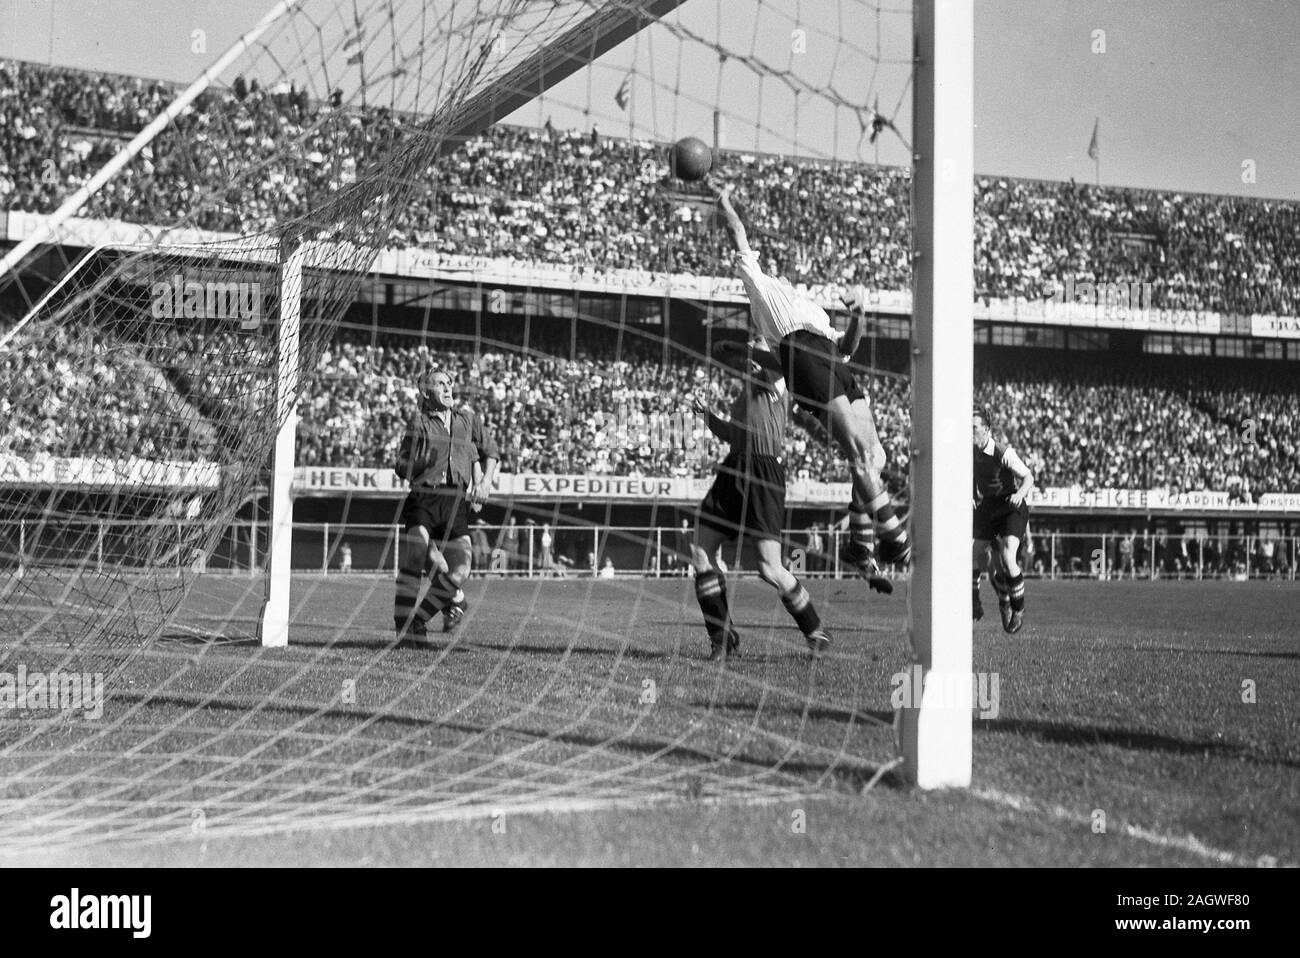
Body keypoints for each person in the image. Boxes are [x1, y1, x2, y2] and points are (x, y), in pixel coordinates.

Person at [710, 184, 910, 581]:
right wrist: (724, 201)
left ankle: (859, 544)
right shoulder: (760, 285)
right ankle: (895, 538)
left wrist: (859, 316)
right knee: (860, 456)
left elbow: (847, 348)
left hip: (830, 357)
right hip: (801, 352)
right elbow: (737, 234)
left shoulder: (812, 307)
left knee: (878, 456)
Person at [688, 338, 832, 660]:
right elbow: (735, 436)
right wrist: (708, 417)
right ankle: (723, 640)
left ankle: (815, 630)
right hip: (734, 466)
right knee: (700, 552)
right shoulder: (746, 395)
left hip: (764, 472)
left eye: (757, 352)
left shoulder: (777, 382)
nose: (751, 359)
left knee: (770, 568)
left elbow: (780, 364)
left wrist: (741, 348)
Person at [392, 367, 499, 643]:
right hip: (424, 496)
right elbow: (401, 467)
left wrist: (484, 482)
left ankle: (419, 620)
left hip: (455, 501)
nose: (448, 387)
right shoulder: (419, 423)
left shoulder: (468, 420)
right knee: (418, 555)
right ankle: (403, 627)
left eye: (449, 383)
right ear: (426, 392)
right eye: (440, 384)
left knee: (462, 568)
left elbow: (490, 452)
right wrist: (420, 464)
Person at [971, 407, 1034, 634]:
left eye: (974, 428)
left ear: (986, 430)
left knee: (1008, 556)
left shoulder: (1002, 451)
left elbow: (1028, 477)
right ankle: (975, 603)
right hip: (988, 505)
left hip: (1010, 505)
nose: (970, 432)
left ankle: (1017, 608)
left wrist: (1019, 495)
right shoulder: (970, 452)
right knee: (970, 553)